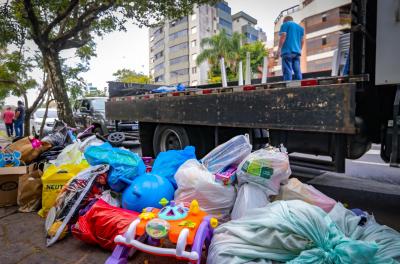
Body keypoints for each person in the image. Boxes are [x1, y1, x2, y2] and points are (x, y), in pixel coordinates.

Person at [277, 16, 305, 81]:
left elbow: (283, 36)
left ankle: (288, 86)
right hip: (297, 52)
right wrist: (299, 49)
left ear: (285, 20)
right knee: (297, 70)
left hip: (287, 51)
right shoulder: (300, 28)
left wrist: (279, 49)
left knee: (287, 70)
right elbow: (302, 40)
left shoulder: (285, 24)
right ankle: (299, 84)